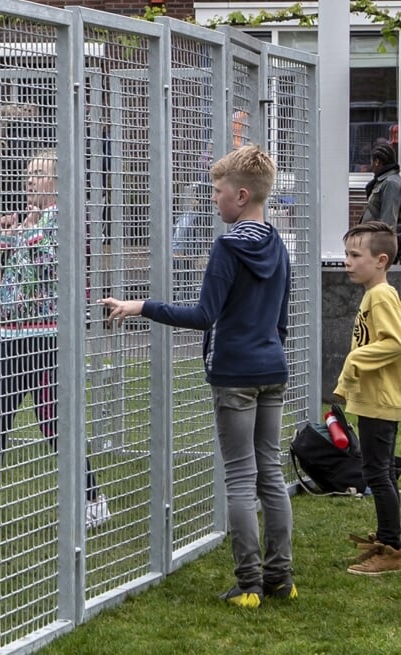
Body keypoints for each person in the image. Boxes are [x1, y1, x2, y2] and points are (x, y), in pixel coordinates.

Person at [101, 144, 293, 607]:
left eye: (217, 191)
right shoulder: (279, 244)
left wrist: (141, 305)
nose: (212, 199)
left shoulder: (227, 246)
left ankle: (248, 585)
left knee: (241, 477)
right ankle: (281, 579)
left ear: (241, 196)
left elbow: (205, 314)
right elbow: (281, 320)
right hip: (273, 369)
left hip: (235, 374)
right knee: (270, 472)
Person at [0, 149, 109, 531]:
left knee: (52, 421)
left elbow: (54, 265)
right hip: (11, 334)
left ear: (57, 181)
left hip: (47, 337)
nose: (29, 181)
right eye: (27, 174)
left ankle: (92, 499)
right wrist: (5, 240)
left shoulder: (65, 218)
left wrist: (29, 231)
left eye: (37, 174)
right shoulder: (28, 221)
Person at [332, 221, 401, 576]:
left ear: (381, 260)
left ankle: (392, 549)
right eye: (346, 254)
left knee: (378, 474)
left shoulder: (382, 295)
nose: (347, 261)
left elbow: (393, 342)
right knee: (381, 471)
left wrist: (354, 361)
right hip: (375, 399)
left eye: (355, 255)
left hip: (381, 400)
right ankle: (390, 538)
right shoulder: (373, 294)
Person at [361, 140, 401, 231]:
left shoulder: (391, 183)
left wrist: (382, 243)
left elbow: (388, 223)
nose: (370, 166)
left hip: (379, 241)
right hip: (372, 237)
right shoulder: (383, 181)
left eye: (371, 161)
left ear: (377, 162)